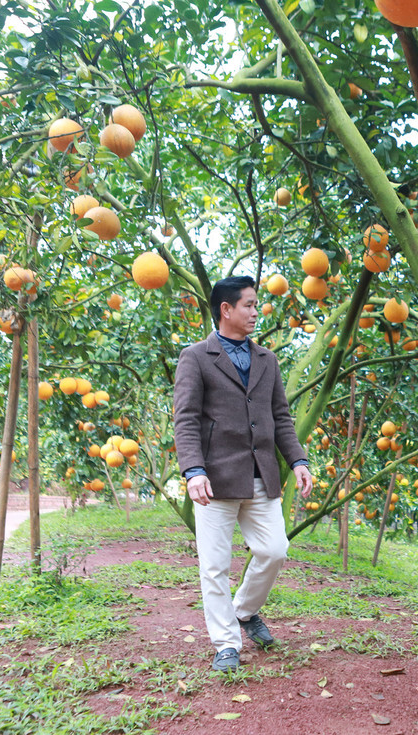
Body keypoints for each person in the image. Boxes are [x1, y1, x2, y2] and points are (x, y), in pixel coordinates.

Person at [173, 275, 314, 672]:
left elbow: (280, 417)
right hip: (214, 480)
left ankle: (244, 611)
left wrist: (298, 460)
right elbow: (185, 419)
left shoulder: (267, 359)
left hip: (260, 475)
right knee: (214, 566)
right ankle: (225, 644)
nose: (255, 312)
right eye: (249, 305)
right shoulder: (196, 357)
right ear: (226, 309)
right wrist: (193, 470)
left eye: (255, 305)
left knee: (274, 550)